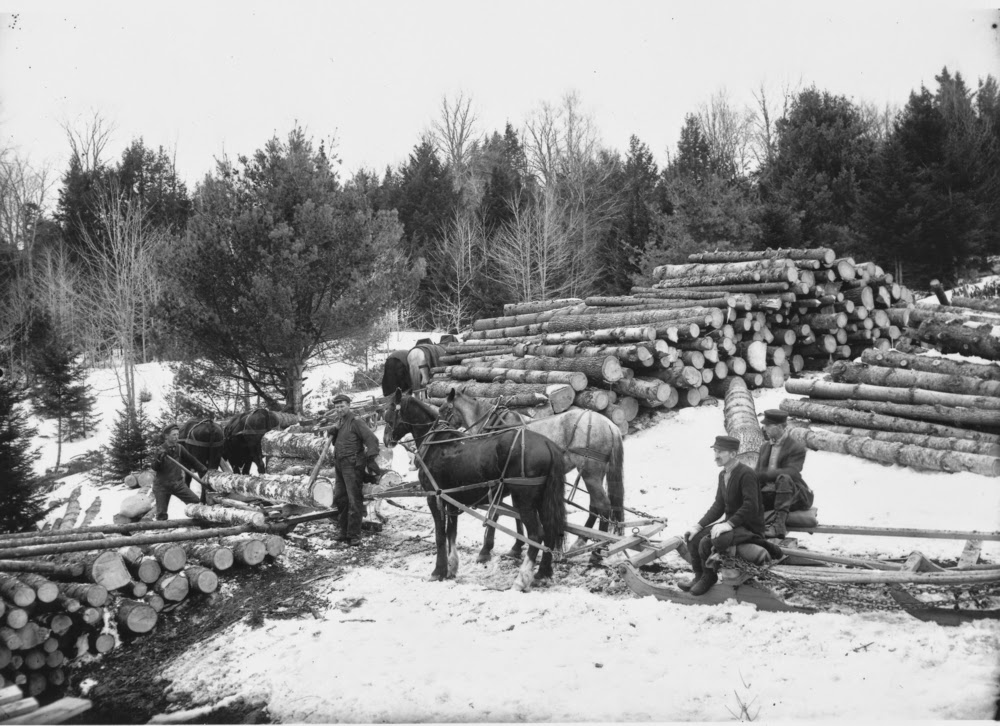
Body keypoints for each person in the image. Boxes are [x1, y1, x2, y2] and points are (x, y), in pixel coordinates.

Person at [679, 435, 766, 596]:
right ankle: (699, 576)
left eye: (720, 452)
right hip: (732, 524)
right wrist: (698, 526)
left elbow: (750, 506)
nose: (716, 456)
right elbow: (718, 505)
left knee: (707, 541)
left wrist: (729, 524)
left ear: (733, 454)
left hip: (749, 526)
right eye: (715, 451)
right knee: (693, 537)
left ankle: (709, 576)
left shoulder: (746, 474)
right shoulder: (723, 475)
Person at [328, 393, 381, 546]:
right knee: (341, 498)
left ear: (349, 406)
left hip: (352, 464)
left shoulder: (356, 421)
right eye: (337, 407)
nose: (339, 409)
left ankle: (354, 535)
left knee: (354, 499)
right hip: (339, 464)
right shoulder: (339, 422)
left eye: (342, 406)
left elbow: (372, 439)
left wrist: (371, 459)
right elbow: (335, 440)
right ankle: (343, 532)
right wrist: (332, 430)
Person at [755, 409, 815, 538]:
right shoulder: (764, 447)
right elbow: (757, 474)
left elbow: (792, 472)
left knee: (784, 478)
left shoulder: (796, 448)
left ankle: (779, 526)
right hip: (770, 493)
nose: (764, 429)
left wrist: (765, 475)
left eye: (768, 426)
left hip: (793, 494)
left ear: (779, 427)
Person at [150, 423, 210, 521]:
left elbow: (192, 460)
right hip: (162, 486)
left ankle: (198, 525)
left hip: (178, 484)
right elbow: (154, 467)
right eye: (174, 435)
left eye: (177, 434)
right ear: (166, 436)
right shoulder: (160, 449)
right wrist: (159, 459)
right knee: (161, 514)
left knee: (195, 502)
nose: (176, 437)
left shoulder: (179, 448)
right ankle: (162, 533)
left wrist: (204, 470)